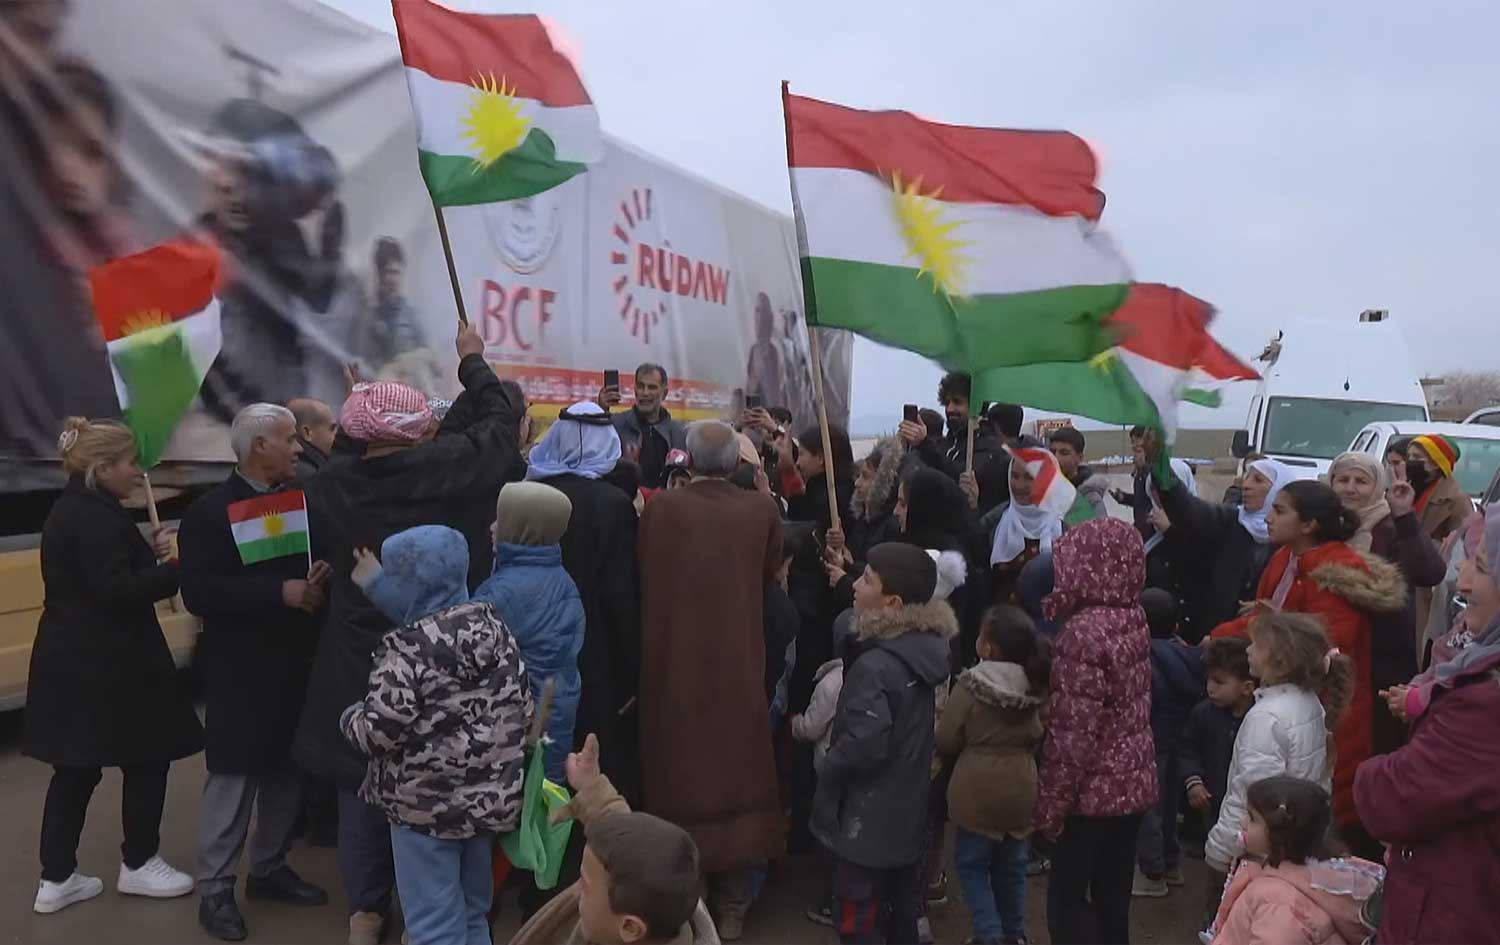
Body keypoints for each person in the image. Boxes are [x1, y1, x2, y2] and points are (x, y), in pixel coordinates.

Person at [293, 323, 524, 945]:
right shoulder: (456, 468)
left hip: (358, 653)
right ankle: (461, 917)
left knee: (361, 785)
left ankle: (366, 914)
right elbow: (502, 428)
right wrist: (472, 361)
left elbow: (344, 456)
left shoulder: (330, 486)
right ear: (423, 429)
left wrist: (357, 412)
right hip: (452, 655)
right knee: (455, 782)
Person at [25, 418, 203, 915]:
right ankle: (140, 863)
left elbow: (97, 579)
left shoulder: (72, 512)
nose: (137, 473)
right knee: (147, 758)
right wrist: (170, 572)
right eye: (129, 463)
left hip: (72, 658)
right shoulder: (97, 519)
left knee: (76, 769)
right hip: (114, 664)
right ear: (101, 469)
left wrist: (148, 559)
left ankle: (57, 876)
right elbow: (117, 591)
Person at [177, 404, 332, 940]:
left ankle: (268, 869)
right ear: (258, 447)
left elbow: (298, 570)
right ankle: (215, 889)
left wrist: (315, 578)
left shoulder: (300, 501)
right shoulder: (209, 512)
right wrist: (279, 592)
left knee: (287, 772)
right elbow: (199, 592)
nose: (298, 448)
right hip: (240, 673)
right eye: (289, 440)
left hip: (295, 665)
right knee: (234, 780)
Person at [342, 525, 533, 945]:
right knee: (472, 912)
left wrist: (350, 717)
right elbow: (524, 705)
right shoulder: (495, 630)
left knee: (431, 922)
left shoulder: (405, 650)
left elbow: (378, 733)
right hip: (484, 804)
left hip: (423, 811)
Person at [637, 420, 784, 940]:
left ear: (689, 461)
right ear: (738, 465)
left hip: (676, 665)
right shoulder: (761, 511)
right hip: (740, 662)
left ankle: (688, 902)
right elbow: (770, 573)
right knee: (739, 770)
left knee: (681, 774)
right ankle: (736, 903)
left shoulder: (662, 510)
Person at [1211, 481, 1404, 857]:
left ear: (1309, 525)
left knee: (1312, 813)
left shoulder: (1332, 576)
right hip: (1290, 703)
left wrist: (1223, 636)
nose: (1268, 517)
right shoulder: (1287, 557)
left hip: (1327, 712)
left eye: (1280, 510)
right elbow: (1268, 617)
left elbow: (1316, 647)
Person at [1355, 504, 1500, 945]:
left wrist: (1374, 770)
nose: (1464, 582)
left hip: (1456, 912)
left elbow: (1392, 799)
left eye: (1481, 567)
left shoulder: (1487, 702)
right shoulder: (1475, 660)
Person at [813, 543, 956, 945]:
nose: (855, 585)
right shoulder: (924, 652)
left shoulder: (876, 665)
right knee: (898, 918)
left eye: (867, 579)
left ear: (892, 602)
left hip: (866, 824)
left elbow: (865, 744)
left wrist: (828, 765)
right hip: (906, 815)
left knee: (859, 924)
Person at [1033, 518, 1157, 945]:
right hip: (1132, 785)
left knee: (1067, 905)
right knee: (1112, 897)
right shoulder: (1130, 611)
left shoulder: (1082, 633)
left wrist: (1050, 809)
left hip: (1089, 797)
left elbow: (1072, 736)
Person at [526, 403, 642, 802]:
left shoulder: (528, 494)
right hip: (594, 652)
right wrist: (633, 668)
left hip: (532, 645)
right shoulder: (612, 505)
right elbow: (621, 594)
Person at [1205, 613, 1352, 918]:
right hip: (1291, 845)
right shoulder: (1309, 702)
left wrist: (1219, 850)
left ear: (1280, 662)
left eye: (1256, 646)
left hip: (1256, 853)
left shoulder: (1267, 717)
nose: (1248, 651)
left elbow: (1252, 794)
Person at [509, 735, 719, 945]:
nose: (575, 892)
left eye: (584, 885)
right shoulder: (657, 904)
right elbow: (625, 838)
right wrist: (592, 787)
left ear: (630, 928)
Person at [937, 606, 1050, 945]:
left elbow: (946, 738)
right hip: (1022, 788)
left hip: (976, 790)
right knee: (1012, 868)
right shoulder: (1035, 681)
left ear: (988, 648)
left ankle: (989, 934)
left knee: (972, 865)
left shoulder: (972, 685)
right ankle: (1014, 934)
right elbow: (1037, 732)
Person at [1328, 452, 1445, 753]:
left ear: (1377, 486)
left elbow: (1429, 572)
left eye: (1361, 481)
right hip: (1334, 659)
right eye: (1343, 480)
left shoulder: (1390, 529)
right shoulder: (1323, 528)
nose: (1351, 488)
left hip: (1383, 663)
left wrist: (1405, 516)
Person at [474, 482, 585, 783]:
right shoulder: (556, 577)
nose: (493, 526)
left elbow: (462, 644)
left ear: (523, 528)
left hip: (522, 732)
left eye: (503, 518)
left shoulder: (507, 591)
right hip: (553, 717)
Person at [1205, 777, 1381, 945]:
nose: (1243, 823)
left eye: (1252, 818)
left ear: (1279, 833)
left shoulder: (1278, 903)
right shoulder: (1271, 874)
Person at [1151, 455, 1305, 642]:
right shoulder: (1231, 520)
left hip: (1261, 645)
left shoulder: (1293, 543)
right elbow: (1189, 510)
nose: (1246, 485)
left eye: (1258, 480)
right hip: (1215, 639)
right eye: (1247, 477)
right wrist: (1161, 467)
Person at [1133, 589, 1204, 899]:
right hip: (1179, 739)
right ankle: (1171, 864)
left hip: (1151, 741)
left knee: (1149, 809)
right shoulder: (1190, 657)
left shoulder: (1145, 660)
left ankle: (1152, 871)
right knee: (1170, 803)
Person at [1179, 639, 1256, 882]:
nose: (1210, 688)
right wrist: (1193, 781)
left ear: (1246, 687)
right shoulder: (1203, 713)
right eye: (1209, 680)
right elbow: (1187, 748)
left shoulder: (1260, 719)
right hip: (1210, 804)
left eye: (1219, 682)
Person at [986, 445, 1072, 611]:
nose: (1019, 485)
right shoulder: (997, 522)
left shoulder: (1068, 528)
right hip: (1005, 627)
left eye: (1029, 477)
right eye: (1014, 476)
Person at [599, 364, 688, 489]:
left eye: (652, 387)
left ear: (665, 393)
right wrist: (601, 411)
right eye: (641, 386)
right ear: (635, 390)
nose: (645, 393)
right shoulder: (615, 424)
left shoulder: (679, 432)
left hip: (664, 504)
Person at [786, 423, 854, 532]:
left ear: (820, 458)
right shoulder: (815, 489)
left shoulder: (831, 500)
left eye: (802, 454)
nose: (797, 463)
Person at [1406, 434, 1472, 545]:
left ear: (1436, 463)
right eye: (1409, 456)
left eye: (1417, 457)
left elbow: (1462, 545)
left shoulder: (1456, 500)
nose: (1410, 461)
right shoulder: (1409, 489)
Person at [369, 237, 424, 368]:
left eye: (396, 272)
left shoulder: (412, 315)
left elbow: (431, 356)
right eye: (388, 272)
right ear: (379, 274)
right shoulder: (369, 319)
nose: (393, 280)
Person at [1047, 427, 1109, 522]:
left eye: (1064, 453)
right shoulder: (1044, 492)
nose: (1056, 458)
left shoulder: (1090, 500)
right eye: (1052, 452)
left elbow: (1101, 534)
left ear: (1079, 458)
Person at [288, 397, 338, 479]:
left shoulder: (287, 468)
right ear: (307, 432)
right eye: (331, 429)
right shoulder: (312, 477)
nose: (336, 435)